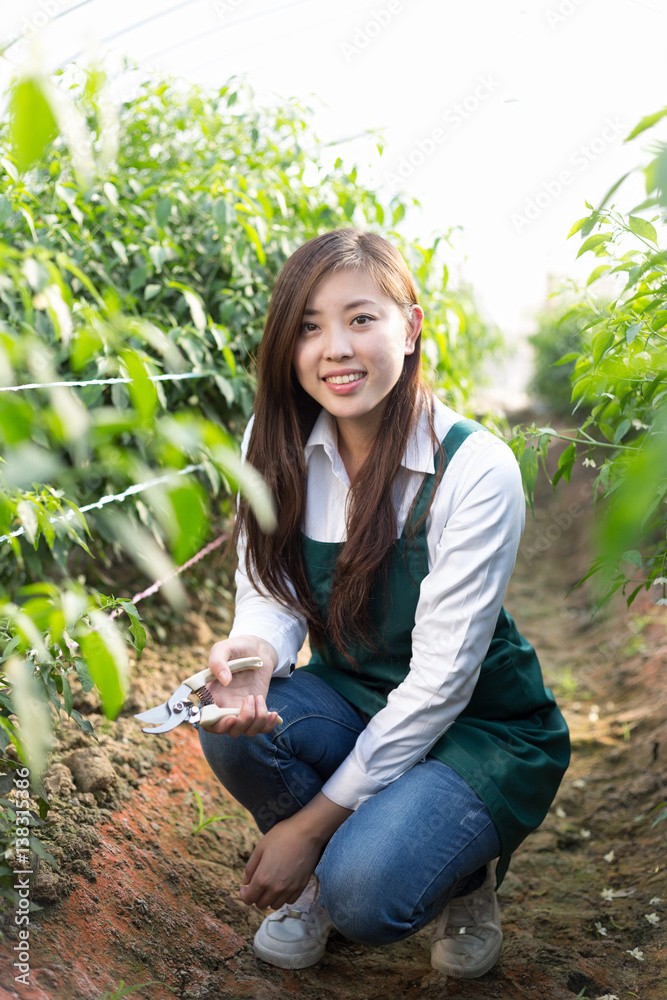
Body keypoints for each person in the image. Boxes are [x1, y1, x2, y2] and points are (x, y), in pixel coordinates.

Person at [198, 228, 570, 977]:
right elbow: (269, 588)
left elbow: (439, 686)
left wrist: (308, 827)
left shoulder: (474, 470)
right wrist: (254, 655)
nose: (333, 347)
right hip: (357, 696)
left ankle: (459, 876)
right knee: (227, 724)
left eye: (359, 318)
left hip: (477, 727)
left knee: (366, 895)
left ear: (412, 323)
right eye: (308, 325)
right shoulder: (273, 442)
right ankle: (320, 880)